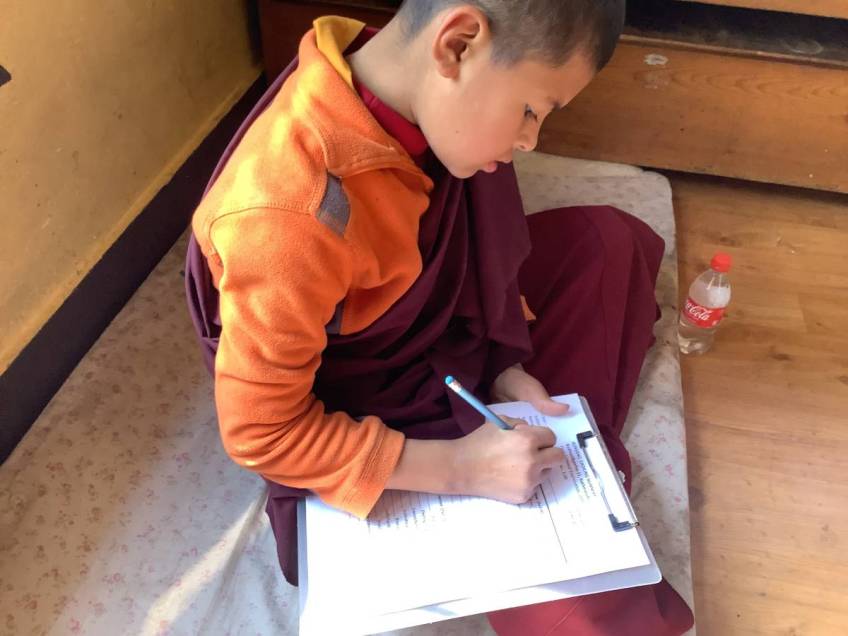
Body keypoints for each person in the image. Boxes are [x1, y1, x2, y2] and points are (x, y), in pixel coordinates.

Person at [185, 2, 695, 634]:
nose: (530, 141)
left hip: (445, 339)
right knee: (583, 612)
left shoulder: (398, 85)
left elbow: (479, 252)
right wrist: (462, 470)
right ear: (457, 44)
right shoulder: (287, 212)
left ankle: (551, 462)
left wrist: (504, 359)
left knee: (609, 243)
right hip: (372, 405)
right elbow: (264, 433)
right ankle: (556, 488)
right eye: (530, 110)